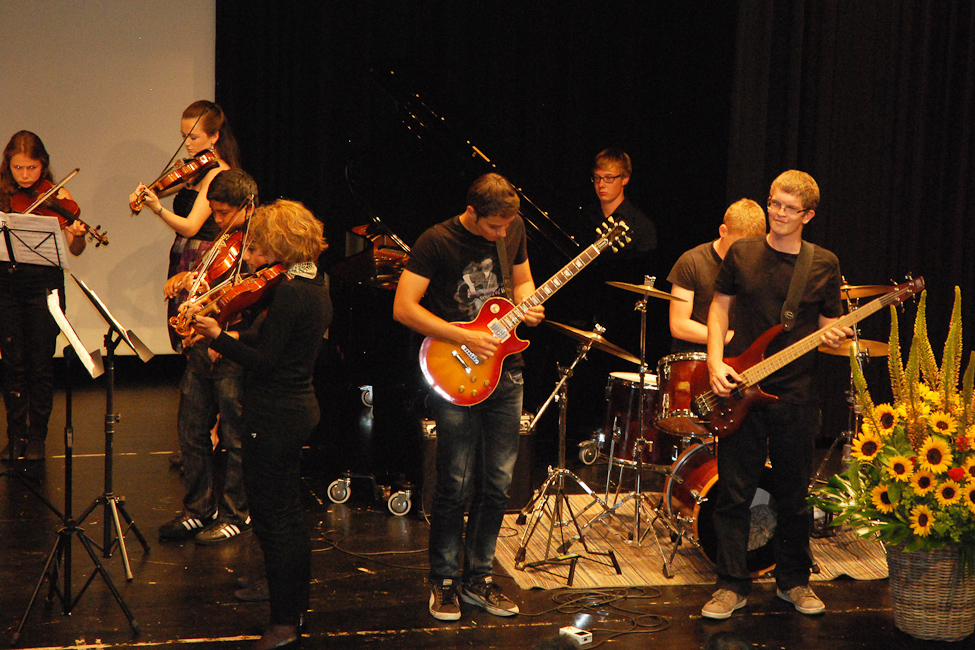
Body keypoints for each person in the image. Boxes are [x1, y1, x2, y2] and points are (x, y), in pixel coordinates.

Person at [392, 173, 544, 621]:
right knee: (455, 483)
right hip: (456, 367)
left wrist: (529, 304)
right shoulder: (436, 241)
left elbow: (522, 282)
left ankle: (479, 577)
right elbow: (403, 308)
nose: (502, 233)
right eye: (494, 226)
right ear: (472, 212)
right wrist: (462, 335)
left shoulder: (513, 227)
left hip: (507, 370)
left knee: (498, 484)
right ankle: (443, 580)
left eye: (507, 225)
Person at [702, 170, 852, 619]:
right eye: (774, 203)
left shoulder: (823, 263)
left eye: (789, 208)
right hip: (741, 387)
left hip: (796, 395)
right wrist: (715, 363)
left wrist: (836, 336)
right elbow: (718, 309)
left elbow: (828, 327)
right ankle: (730, 585)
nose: (779, 213)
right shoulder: (742, 252)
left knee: (794, 495)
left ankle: (795, 582)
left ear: (808, 215)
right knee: (733, 494)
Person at [189, 199, 331, 650]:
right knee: (284, 516)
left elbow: (265, 361)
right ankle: (288, 599)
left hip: (276, 415)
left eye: (256, 247)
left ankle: (285, 621)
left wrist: (218, 337)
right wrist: (234, 334)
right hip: (293, 409)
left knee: (276, 521)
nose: (250, 256)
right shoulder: (313, 279)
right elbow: (272, 339)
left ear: (279, 244)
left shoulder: (291, 292)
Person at [157, 168, 258, 545]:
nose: (216, 219)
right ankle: (198, 509)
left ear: (247, 206)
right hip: (205, 342)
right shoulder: (226, 238)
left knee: (234, 436)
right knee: (191, 428)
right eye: (213, 211)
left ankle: (236, 513)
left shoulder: (260, 243)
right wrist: (187, 280)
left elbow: (254, 301)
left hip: (232, 348)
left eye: (223, 212)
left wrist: (225, 337)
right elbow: (214, 284)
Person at [0, 131, 88, 461]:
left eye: (32, 168)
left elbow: (75, 249)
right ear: (8, 165)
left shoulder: (58, 196)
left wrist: (78, 234)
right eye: (18, 168)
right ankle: (15, 436)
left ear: (43, 165)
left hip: (44, 288)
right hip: (7, 286)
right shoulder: (1, 194)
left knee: (40, 365)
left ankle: (37, 437)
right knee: (12, 364)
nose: (25, 176)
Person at [129, 99, 240, 351]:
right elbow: (161, 187)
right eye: (183, 137)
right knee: (180, 327)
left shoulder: (217, 173)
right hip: (184, 254)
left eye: (193, 137)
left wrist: (157, 208)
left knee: (191, 329)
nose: (187, 144)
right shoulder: (197, 168)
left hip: (202, 257)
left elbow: (191, 226)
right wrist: (143, 193)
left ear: (214, 137)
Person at [667, 198, 766, 353]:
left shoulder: (762, 266)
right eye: (739, 245)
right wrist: (732, 338)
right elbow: (679, 326)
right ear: (723, 231)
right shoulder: (692, 262)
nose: (745, 252)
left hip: (742, 358)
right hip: (696, 357)